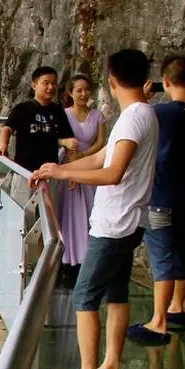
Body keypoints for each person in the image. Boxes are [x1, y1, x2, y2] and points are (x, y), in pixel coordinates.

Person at [29, 49, 159, 369]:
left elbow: (113, 172)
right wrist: (60, 170)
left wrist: (66, 172)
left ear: (112, 80)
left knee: (85, 296)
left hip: (114, 223)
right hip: (130, 221)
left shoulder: (133, 118)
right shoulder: (141, 114)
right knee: (116, 293)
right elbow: (102, 156)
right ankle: (110, 367)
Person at [126, 55, 185, 345]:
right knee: (181, 250)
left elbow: (133, 116)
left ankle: (158, 321)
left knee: (161, 256)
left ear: (165, 81)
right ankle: (177, 308)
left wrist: (145, 95)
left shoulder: (161, 113)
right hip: (184, 194)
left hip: (159, 194)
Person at [58, 75, 107, 284]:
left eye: (86, 90)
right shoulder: (64, 115)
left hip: (90, 164)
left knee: (89, 211)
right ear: (70, 92)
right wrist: (67, 145)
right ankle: (68, 259)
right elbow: (57, 137)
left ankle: (87, 258)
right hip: (68, 164)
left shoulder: (98, 116)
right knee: (69, 213)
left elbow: (101, 142)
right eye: (79, 90)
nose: (83, 94)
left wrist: (84, 156)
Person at [0, 66, 78, 173]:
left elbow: (68, 140)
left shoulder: (58, 111)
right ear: (34, 85)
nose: (51, 87)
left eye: (54, 83)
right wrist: (3, 146)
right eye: (46, 83)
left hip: (49, 172)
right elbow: (7, 129)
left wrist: (71, 169)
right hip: (23, 172)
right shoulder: (22, 108)